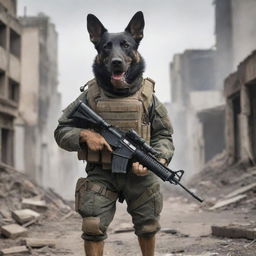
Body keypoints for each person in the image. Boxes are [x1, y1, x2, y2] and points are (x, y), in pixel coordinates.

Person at [54, 11, 174, 256]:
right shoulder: (90, 96)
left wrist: (157, 160)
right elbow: (61, 130)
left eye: (125, 47)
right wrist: (85, 136)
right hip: (101, 174)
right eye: (108, 48)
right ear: (99, 50)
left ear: (135, 49)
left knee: (148, 225)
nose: (117, 56)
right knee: (93, 226)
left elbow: (164, 136)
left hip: (140, 173)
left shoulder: (147, 96)